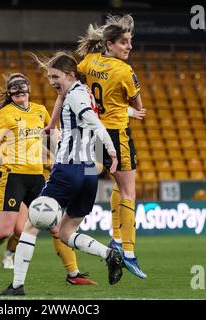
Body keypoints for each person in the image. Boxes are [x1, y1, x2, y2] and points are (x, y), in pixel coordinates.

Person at [0, 73, 96, 285]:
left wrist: (58, 156)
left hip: (37, 176)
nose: (19, 90)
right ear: (9, 92)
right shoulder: (5, 114)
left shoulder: (40, 111)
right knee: (4, 230)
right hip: (13, 175)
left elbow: (52, 134)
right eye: (14, 87)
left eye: (22, 85)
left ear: (29, 88)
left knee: (56, 226)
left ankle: (73, 274)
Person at [0, 52, 123, 296]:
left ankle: (17, 286)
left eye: (55, 76)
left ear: (70, 74)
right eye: (49, 77)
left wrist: (111, 151)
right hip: (88, 174)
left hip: (68, 168)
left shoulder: (75, 96)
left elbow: (94, 122)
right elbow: (71, 102)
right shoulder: (83, 91)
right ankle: (109, 254)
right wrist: (52, 124)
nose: (52, 81)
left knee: (31, 226)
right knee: (66, 233)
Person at [75, 14, 147, 278]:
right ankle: (128, 252)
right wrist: (128, 110)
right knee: (129, 191)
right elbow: (139, 107)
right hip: (117, 135)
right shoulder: (125, 71)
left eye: (130, 42)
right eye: (124, 42)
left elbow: (77, 86)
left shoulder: (89, 61)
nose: (129, 47)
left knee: (117, 185)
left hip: (93, 135)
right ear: (109, 44)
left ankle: (116, 238)